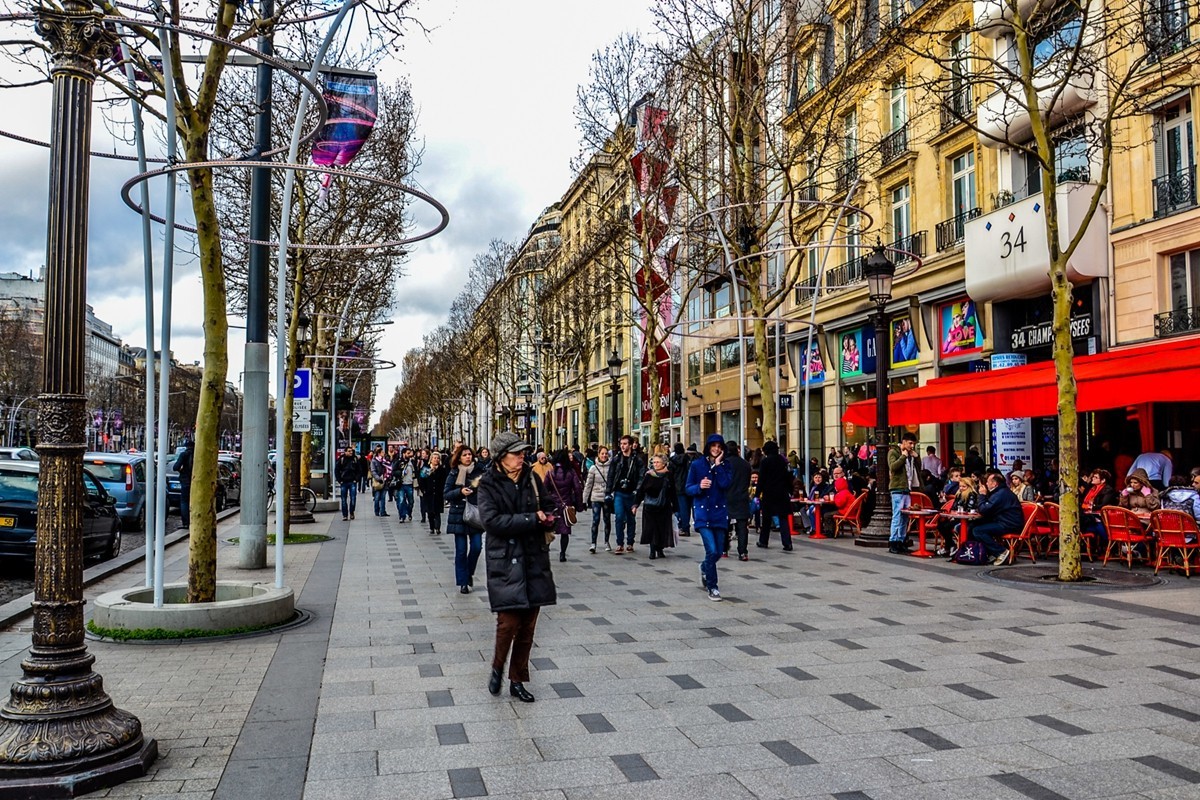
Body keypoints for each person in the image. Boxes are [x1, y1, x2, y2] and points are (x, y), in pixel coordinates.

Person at [478, 432, 557, 704]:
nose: (522, 457)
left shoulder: (532, 478)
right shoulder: (487, 484)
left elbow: (547, 505)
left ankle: (518, 680)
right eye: (517, 453)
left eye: (523, 452)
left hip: (534, 558)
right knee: (508, 622)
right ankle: (497, 667)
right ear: (501, 458)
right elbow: (492, 522)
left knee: (528, 627)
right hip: (505, 559)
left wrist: (548, 517)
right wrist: (530, 519)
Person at [687, 434, 733, 601]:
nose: (716, 449)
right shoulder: (697, 465)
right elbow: (688, 488)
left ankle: (705, 566)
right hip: (703, 513)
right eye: (713, 446)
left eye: (719, 446)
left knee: (719, 551)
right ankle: (713, 587)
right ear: (708, 447)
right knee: (711, 550)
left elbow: (725, 484)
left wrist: (719, 465)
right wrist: (699, 486)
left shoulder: (726, 465)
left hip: (720, 513)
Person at [444, 444, 485, 593]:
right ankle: (463, 582)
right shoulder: (454, 473)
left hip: (475, 513)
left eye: (469, 454)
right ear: (459, 457)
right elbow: (446, 494)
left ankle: (469, 573)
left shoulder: (480, 471)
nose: (468, 457)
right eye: (464, 455)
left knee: (476, 547)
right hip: (458, 514)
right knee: (461, 550)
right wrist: (460, 492)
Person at [971, 469, 1024, 565]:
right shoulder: (1000, 492)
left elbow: (984, 509)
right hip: (1004, 521)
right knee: (972, 526)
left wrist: (982, 495)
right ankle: (985, 552)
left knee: (978, 530)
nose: (986, 484)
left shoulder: (1000, 494)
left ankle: (1000, 551)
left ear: (994, 483)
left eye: (988, 482)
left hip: (1009, 524)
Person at [606, 435, 645, 554]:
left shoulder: (637, 460)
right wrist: (608, 492)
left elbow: (641, 476)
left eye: (625, 444)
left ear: (631, 445)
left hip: (632, 493)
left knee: (631, 518)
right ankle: (619, 543)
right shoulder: (616, 459)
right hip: (619, 492)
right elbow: (611, 476)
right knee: (619, 517)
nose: (622, 446)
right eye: (621, 444)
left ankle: (630, 542)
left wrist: (637, 491)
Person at [634, 454, 676, 559]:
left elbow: (673, 492)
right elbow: (641, 490)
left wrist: (676, 507)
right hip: (650, 506)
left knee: (661, 528)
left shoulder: (668, 475)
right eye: (654, 462)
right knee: (652, 528)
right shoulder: (649, 475)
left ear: (664, 463)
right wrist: (636, 504)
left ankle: (660, 549)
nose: (655, 464)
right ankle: (652, 551)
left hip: (664, 506)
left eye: (657, 462)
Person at [544, 450, 582, 563]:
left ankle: (546, 550)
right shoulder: (571, 473)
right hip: (566, 505)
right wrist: (579, 506)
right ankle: (562, 554)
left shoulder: (550, 473)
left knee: (550, 529)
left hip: (553, 506)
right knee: (565, 531)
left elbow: (544, 489)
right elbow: (577, 489)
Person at [755, 440, 794, 553]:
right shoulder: (782, 461)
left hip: (769, 493)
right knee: (783, 518)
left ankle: (763, 541)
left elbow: (761, 479)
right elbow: (788, 477)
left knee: (766, 519)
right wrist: (790, 491)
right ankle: (787, 543)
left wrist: (757, 494)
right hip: (782, 493)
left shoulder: (765, 461)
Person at [887, 432, 921, 554]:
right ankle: (894, 541)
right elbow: (893, 467)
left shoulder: (911, 455)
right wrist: (903, 456)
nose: (912, 446)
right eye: (910, 443)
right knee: (897, 516)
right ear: (904, 441)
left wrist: (916, 457)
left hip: (907, 489)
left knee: (905, 517)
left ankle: (901, 540)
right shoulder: (894, 452)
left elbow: (917, 469)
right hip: (897, 488)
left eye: (914, 444)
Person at [937, 475, 980, 556]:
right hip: (957, 517)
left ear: (969, 486)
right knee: (940, 525)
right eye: (960, 486)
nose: (961, 488)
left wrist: (956, 513)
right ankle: (950, 545)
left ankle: (951, 546)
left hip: (967, 519)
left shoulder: (972, 494)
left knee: (946, 526)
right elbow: (954, 507)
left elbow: (969, 509)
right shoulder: (959, 494)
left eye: (964, 486)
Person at [723, 442, 752, 559]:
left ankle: (724, 549)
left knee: (724, 525)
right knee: (742, 526)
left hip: (726, 497)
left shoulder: (724, 464)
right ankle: (743, 552)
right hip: (742, 497)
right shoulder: (745, 464)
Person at [582, 446, 612, 552]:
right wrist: (584, 500)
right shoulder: (593, 468)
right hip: (595, 497)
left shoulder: (611, 467)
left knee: (607, 520)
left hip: (607, 498)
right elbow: (588, 485)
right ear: (598, 455)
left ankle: (606, 541)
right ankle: (593, 543)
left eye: (606, 454)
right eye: (602, 453)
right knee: (596, 520)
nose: (604, 456)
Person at [419, 451, 448, 534]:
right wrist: (424, 490)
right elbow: (421, 480)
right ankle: (432, 527)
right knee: (430, 512)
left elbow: (444, 481)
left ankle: (437, 527)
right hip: (429, 493)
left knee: (437, 512)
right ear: (431, 459)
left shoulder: (442, 469)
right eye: (434, 458)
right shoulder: (426, 468)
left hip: (438, 493)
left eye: (438, 458)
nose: (436, 460)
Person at [669, 443, 694, 538]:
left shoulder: (673, 461)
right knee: (686, 508)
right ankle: (685, 526)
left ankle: (683, 527)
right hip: (688, 485)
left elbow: (670, 474)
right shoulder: (688, 459)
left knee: (681, 507)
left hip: (678, 486)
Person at [335, 445, 359, 521]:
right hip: (344, 482)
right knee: (343, 499)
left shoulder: (355, 459)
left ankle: (351, 512)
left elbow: (359, 470)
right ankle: (345, 515)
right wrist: (340, 480)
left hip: (352, 481)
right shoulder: (341, 459)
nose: (351, 452)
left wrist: (356, 479)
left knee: (353, 498)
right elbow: (337, 470)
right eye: (349, 451)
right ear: (345, 452)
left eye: (351, 451)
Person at [393, 448, 416, 522]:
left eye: (410, 453)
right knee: (401, 500)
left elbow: (416, 472)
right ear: (403, 454)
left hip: (410, 484)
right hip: (401, 484)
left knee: (411, 502)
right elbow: (394, 472)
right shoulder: (399, 462)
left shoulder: (412, 462)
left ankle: (409, 512)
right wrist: (401, 473)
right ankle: (402, 516)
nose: (410, 455)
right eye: (408, 453)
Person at [174, 439, 194, 528]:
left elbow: (175, 467)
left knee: (184, 502)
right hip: (196, 481)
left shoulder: (184, 455)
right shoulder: (197, 455)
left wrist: (181, 470)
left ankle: (186, 523)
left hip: (185, 480)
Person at [370, 445, 391, 517]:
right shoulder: (374, 461)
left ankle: (383, 511)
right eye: (382, 452)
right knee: (377, 497)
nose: (384, 453)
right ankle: (376, 511)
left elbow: (389, 468)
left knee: (383, 497)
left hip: (385, 480)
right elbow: (373, 471)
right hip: (378, 481)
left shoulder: (385, 460)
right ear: (379, 453)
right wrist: (378, 478)